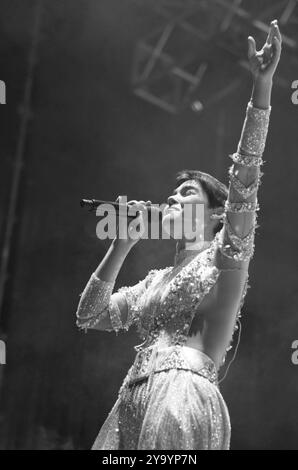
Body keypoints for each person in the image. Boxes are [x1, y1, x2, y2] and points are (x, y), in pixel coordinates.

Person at [76, 20, 282, 450]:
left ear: (214, 217)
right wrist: (121, 244)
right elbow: (89, 316)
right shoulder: (153, 279)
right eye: (170, 193)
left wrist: (261, 88)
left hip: (181, 394)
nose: (171, 199)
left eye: (185, 193)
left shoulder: (227, 255)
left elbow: (246, 178)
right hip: (130, 401)